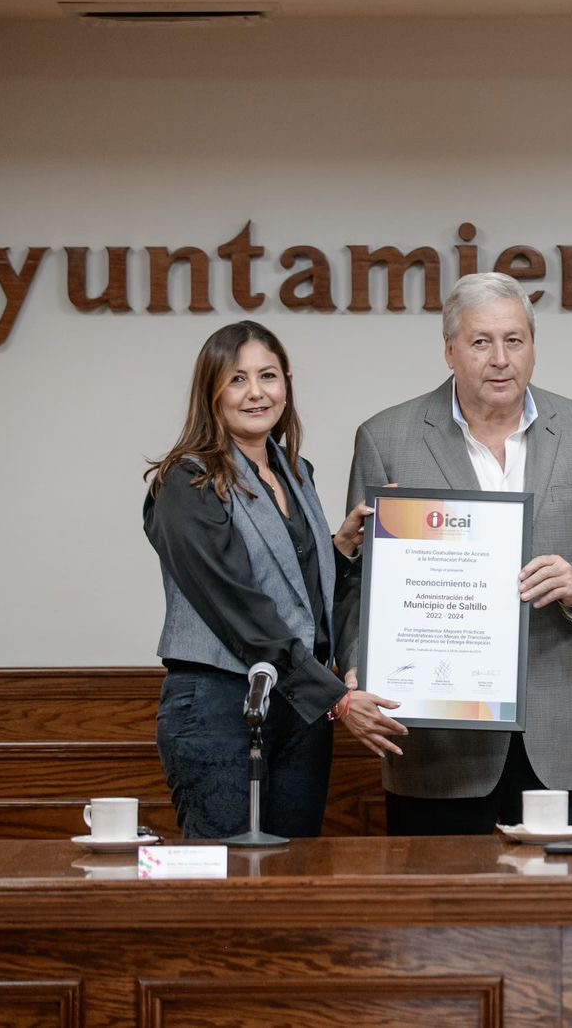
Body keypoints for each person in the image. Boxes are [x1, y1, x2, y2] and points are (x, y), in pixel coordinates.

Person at [337, 272, 572, 836]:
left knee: (561, 892)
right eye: (481, 342)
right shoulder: (386, 439)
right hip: (438, 734)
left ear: (533, 347)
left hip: (559, 721)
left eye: (514, 340)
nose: (500, 359)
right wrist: (359, 667)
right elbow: (361, 581)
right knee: (439, 890)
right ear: (450, 350)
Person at [145, 321, 406, 840]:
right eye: (237, 379)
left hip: (299, 711)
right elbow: (237, 606)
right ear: (211, 391)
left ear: (287, 383)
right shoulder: (187, 481)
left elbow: (295, 595)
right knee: (224, 871)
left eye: (268, 375)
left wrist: (340, 550)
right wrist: (336, 697)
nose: (256, 392)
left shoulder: (295, 472)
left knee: (295, 866)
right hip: (218, 705)